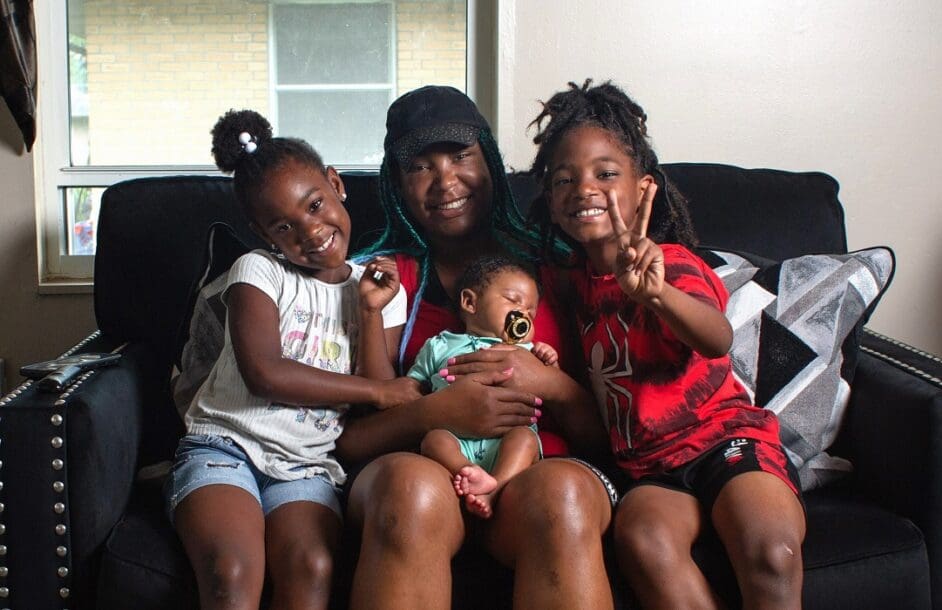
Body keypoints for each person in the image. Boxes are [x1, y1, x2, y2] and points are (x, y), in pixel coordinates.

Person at [334, 85, 618, 610]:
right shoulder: (386, 281)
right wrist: (434, 413)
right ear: (396, 183)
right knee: (409, 492)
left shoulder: (556, 262)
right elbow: (352, 442)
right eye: (420, 166)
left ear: (489, 161)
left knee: (562, 498)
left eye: (461, 156)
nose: (446, 181)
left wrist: (549, 383)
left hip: (535, 477)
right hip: (422, 472)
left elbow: (607, 437)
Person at [526, 79, 807, 609]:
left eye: (606, 174)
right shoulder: (567, 282)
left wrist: (655, 297)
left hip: (725, 441)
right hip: (650, 469)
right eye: (564, 179)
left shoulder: (670, 263)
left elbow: (717, 337)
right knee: (644, 540)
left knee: (772, 552)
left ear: (644, 188)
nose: (585, 188)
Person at [167, 109, 421, 610]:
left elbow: (378, 399)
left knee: (313, 568)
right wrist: (379, 391)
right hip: (225, 448)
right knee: (231, 572)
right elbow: (265, 372)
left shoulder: (380, 290)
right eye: (284, 226)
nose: (309, 231)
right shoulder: (258, 272)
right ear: (266, 236)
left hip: (306, 467)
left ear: (336, 184)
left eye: (315, 205)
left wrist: (369, 313)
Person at [410, 255, 558, 518]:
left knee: (525, 439)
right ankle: (468, 472)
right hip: (457, 438)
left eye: (531, 312)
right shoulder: (440, 345)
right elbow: (412, 386)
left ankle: (496, 486)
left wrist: (548, 360)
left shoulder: (526, 352)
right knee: (434, 440)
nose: (523, 313)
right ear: (470, 302)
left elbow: (551, 387)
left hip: (507, 439)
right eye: (513, 301)